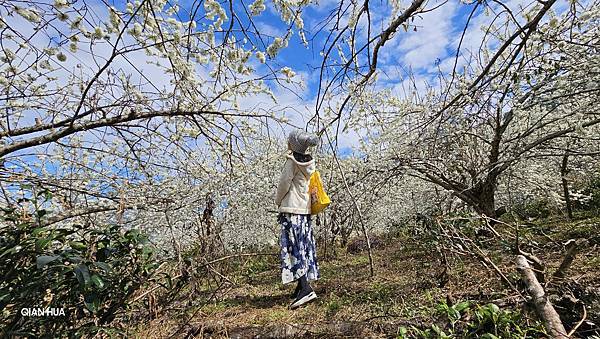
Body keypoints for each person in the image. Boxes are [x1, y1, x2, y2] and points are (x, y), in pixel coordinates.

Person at [275, 129, 320, 309]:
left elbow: (284, 183)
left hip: (292, 208)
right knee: (303, 245)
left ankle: (305, 289)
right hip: (304, 210)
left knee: (294, 247)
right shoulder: (309, 162)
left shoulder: (291, 162)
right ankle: (301, 285)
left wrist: (278, 200)